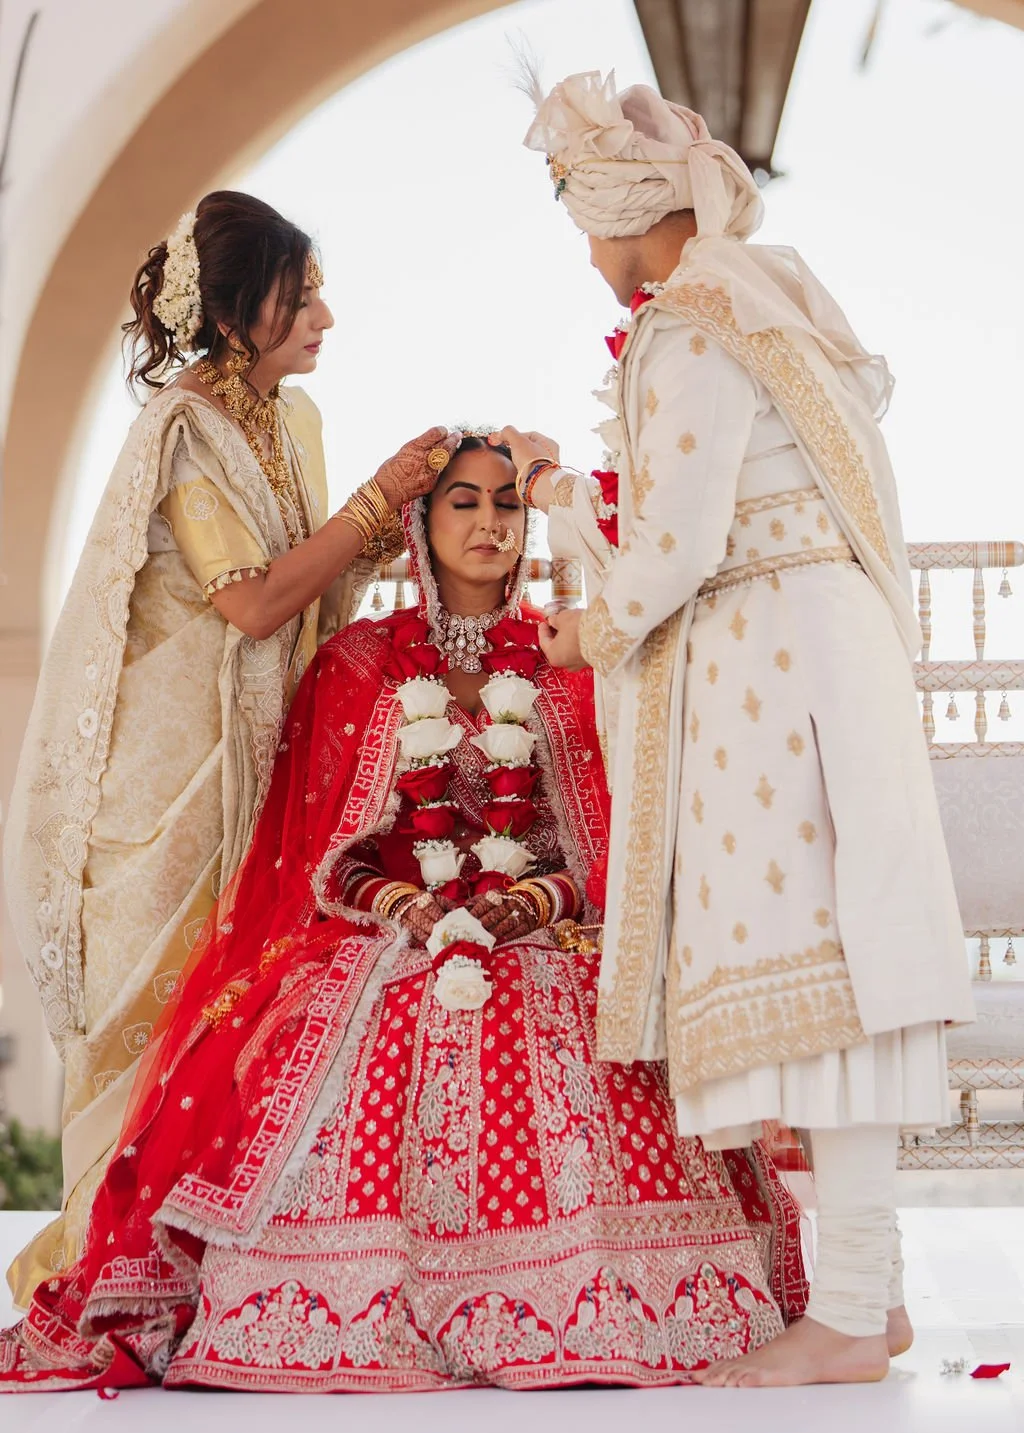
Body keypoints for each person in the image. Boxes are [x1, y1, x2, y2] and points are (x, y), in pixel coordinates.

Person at [0, 435, 807, 1393]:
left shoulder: (570, 660)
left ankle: (593, 1296)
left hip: (543, 931)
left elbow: (601, 850)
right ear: (423, 525)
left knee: (569, 1012)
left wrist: (526, 902)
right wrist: (415, 908)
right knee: (359, 1020)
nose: (489, 523)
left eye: (508, 505)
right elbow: (323, 858)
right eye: (463, 503)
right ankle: (349, 1294)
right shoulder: (361, 662)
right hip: (391, 937)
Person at [492, 70, 974, 1386]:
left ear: (627, 212)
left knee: (831, 992)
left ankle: (849, 1320)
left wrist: (589, 622)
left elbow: (680, 545)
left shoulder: (693, 325)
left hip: (779, 674)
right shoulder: (757, 302)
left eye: (589, 227)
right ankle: (866, 1305)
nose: (590, 256)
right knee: (841, 979)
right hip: (813, 653)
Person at [3, 190, 459, 1305]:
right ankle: (116, 1273)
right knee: (160, 1020)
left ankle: (220, 1274)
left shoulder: (285, 422)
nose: (325, 317)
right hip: (171, 782)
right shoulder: (186, 428)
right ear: (239, 308)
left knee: (251, 1018)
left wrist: (409, 519)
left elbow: (315, 589)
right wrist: (372, 502)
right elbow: (253, 605)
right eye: (300, 296)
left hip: (264, 761)